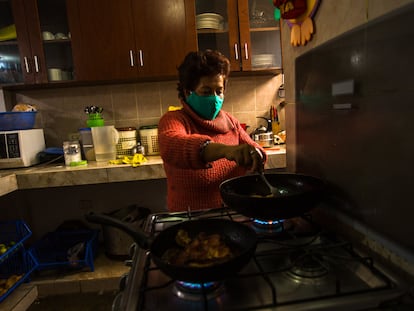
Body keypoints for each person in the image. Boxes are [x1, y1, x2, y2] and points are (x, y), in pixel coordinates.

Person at [158, 50, 267, 212]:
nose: (214, 98)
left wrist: (256, 155)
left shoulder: (230, 122)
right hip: (191, 219)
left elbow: (253, 149)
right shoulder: (174, 120)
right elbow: (172, 145)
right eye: (206, 91)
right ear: (188, 92)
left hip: (233, 214)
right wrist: (226, 151)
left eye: (219, 91)